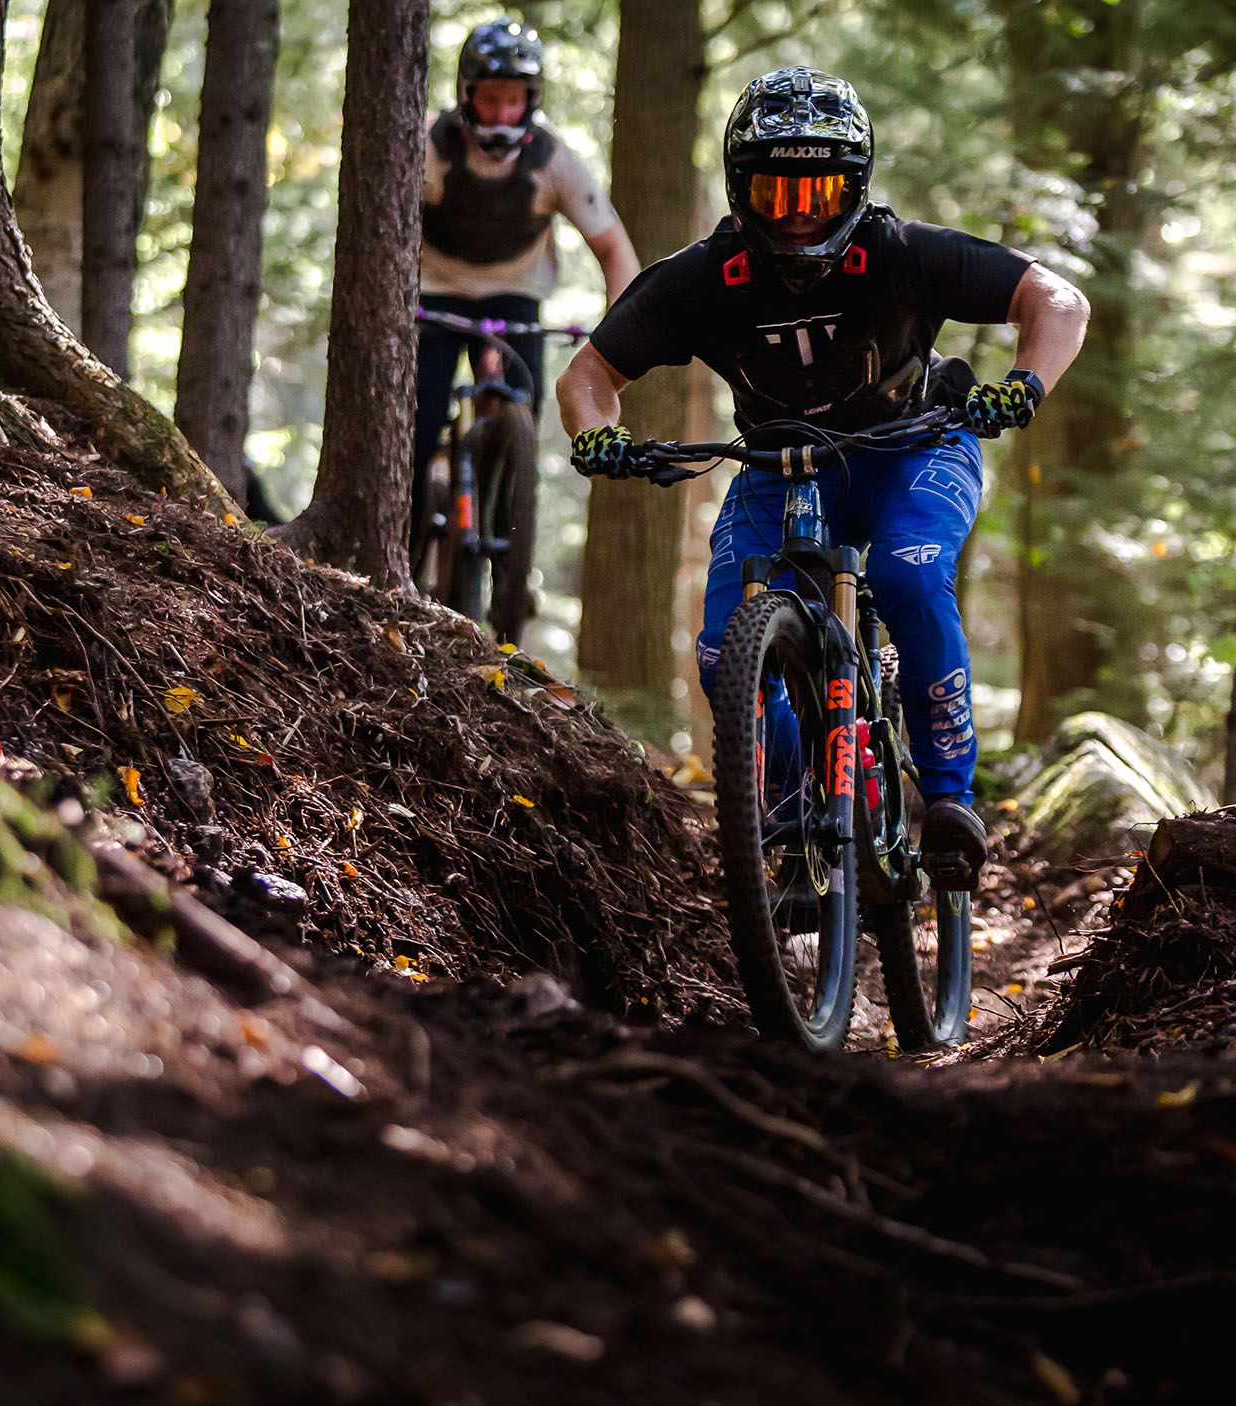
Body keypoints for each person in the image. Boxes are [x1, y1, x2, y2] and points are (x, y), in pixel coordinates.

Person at [554, 66, 1089, 885]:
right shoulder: (703, 277)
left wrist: (1024, 386)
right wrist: (598, 437)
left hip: (916, 450)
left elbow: (1058, 302)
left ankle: (949, 802)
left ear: (857, 187)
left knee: (909, 578)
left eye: (823, 190)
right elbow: (586, 376)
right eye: (778, 193)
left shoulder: (901, 251)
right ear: (742, 190)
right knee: (722, 651)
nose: (801, 216)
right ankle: (791, 812)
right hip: (779, 468)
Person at [412, 17, 639, 558]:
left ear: (532, 100)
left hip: (515, 298)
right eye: (491, 99)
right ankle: (407, 549)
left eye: (514, 100)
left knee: (524, 423)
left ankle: (505, 568)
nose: (502, 113)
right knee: (416, 429)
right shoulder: (429, 147)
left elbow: (615, 249)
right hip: (434, 296)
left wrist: (624, 338)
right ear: (466, 95)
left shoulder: (553, 161)